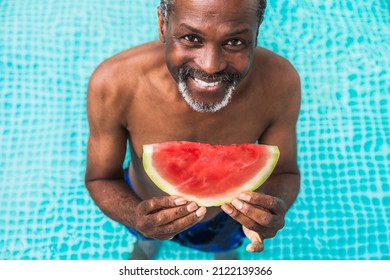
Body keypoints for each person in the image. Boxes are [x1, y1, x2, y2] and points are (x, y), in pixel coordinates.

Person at [85, 0, 301, 260]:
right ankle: (148, 243)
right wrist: (137, 217)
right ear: (163, 26)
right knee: (147, 242)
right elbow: (101, 178)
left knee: (226, 250)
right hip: (143, 207)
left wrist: (270, 209)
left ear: (256, 33)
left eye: (234, 42)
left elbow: (285, 172)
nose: (211, 66)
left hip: (226, 220)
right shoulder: (114, 82)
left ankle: (223, 250)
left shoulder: (280, 81)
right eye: (191, 38)